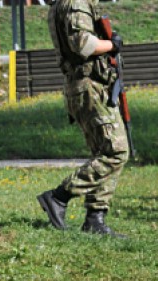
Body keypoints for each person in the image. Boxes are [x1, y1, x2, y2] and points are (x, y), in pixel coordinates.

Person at [38, 0, 129, 237]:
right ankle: (59, 196)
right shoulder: (75, 2)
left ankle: (95, 218)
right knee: (116, 152)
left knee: (103, 152)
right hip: (89, 87)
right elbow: (82, 44)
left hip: (86, 86)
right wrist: (111, 44)